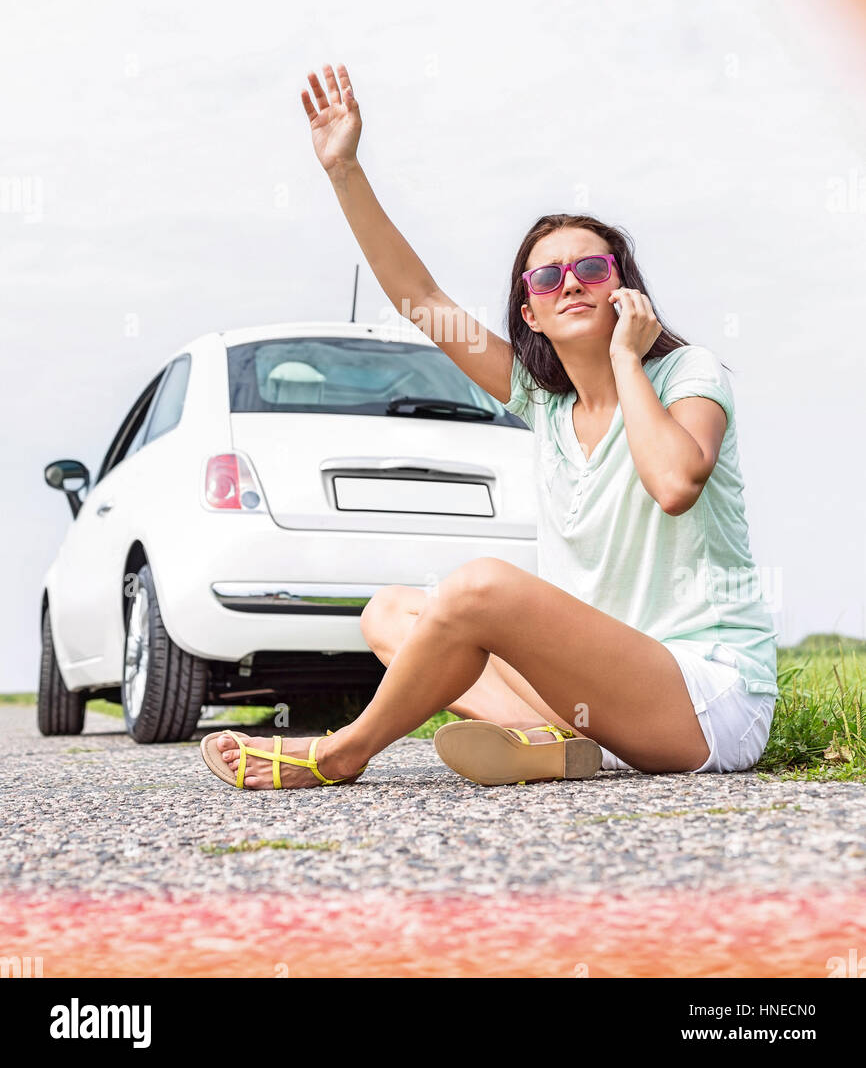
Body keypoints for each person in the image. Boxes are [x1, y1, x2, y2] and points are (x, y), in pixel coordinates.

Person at [200, 61, 778, 792]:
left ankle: (343, 751)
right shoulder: (544, 402)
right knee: (393, 613)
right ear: (529, 313)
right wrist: (344, 169)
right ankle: (545, 740)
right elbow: (421, 298)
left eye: (591, 269)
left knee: (479, 588)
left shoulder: (689, 374)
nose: (569, 282)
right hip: (605, 693)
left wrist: (630, 361)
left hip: (706, 703)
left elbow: (673, 483)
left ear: (624, 290)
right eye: (545, 278)